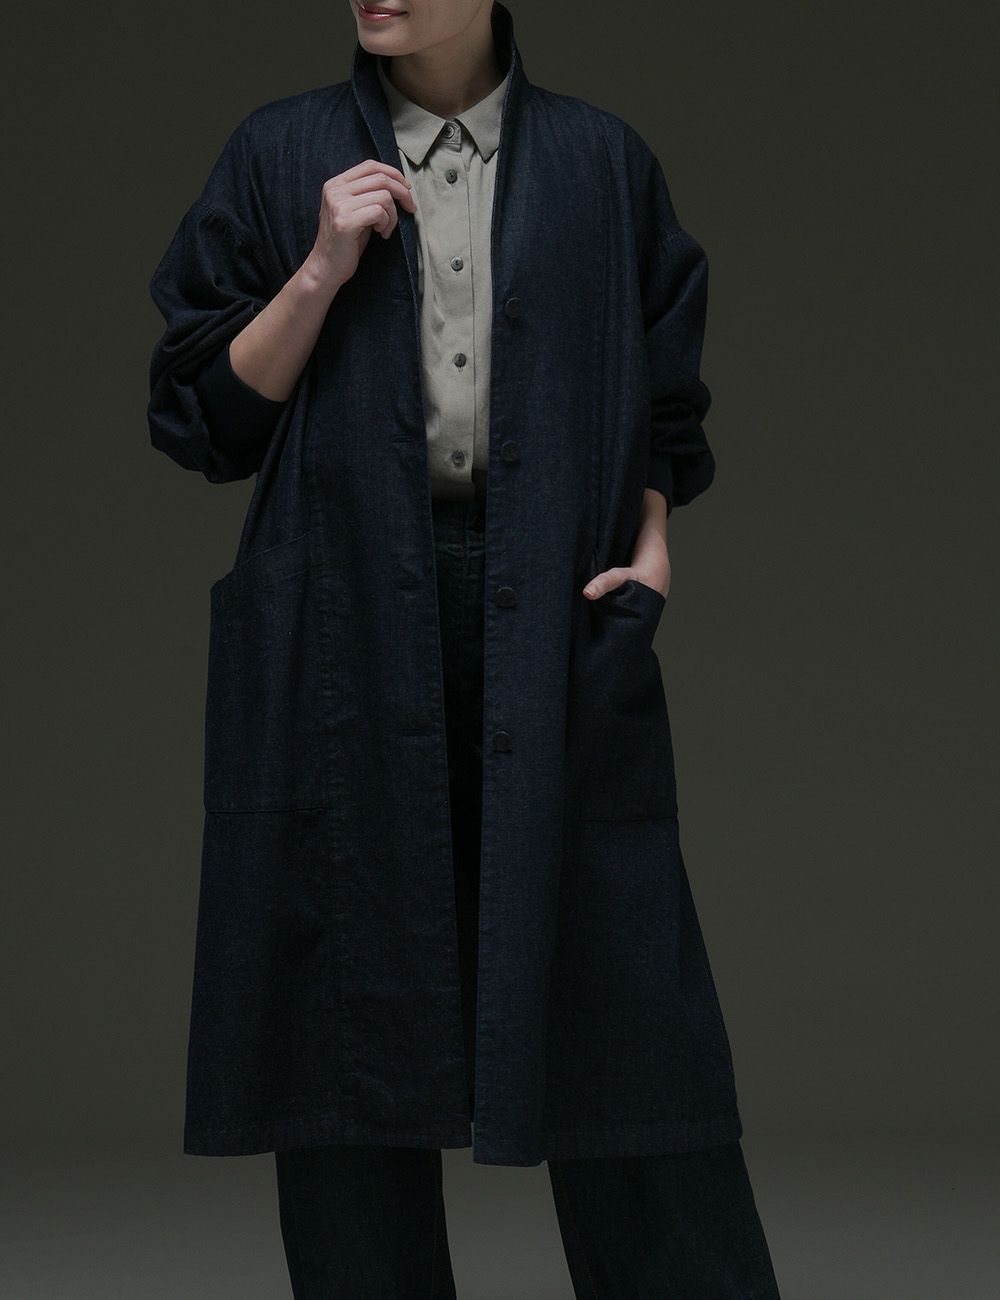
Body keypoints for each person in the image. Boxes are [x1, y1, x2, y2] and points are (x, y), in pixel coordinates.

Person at [147, 1, 783, 1294]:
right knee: (344, 1033)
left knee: (624, 1021)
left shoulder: (601, 161)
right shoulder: (279, 152)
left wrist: (652, 543)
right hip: (343, 622)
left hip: (555, 609)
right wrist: (319, 268)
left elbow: (665, 401)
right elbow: (201, 416)